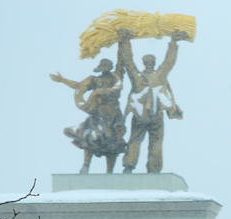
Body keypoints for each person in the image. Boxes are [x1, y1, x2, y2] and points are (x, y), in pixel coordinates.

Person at [116, 29, 185, 173]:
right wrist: (173, 42)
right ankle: (153, 169)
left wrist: (125, 42)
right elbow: (169, 62)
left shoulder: (137, 77)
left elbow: (128, 62)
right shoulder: (159, 76)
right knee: (155, 143)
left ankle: (129, 165)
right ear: (153, 63)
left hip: (140, 116)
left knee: (135, 140)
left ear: (145, 63)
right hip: (155, 116)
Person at [50, 58, 126, 173]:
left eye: (107, 66)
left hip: (114, 113)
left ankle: (110, 171)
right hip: (99, 112)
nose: (106, 69)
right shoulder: (95, 80)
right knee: (90, 138)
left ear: (110, 67)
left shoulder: (116, 78)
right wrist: (62, 80)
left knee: (114, 141)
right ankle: (86, 165)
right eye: (103, 66)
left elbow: (121, 66)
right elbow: (79, 86)